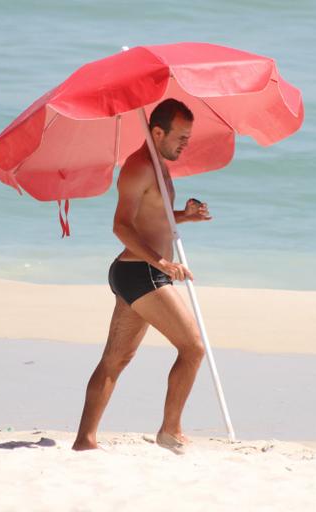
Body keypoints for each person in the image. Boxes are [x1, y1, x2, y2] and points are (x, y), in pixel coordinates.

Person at [72, 99, 211, 454]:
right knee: (193, 347)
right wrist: (162, 262)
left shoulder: (159, 165)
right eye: (180, 136)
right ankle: (170, 430)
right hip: (142, 272)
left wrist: (183, 216)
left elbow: (153, 217)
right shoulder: (139, 168)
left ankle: (85, 441)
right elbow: (121, 225)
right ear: (157, 132)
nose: (185, 143)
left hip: (138, 272)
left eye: (188, 137)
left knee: (115, 360)